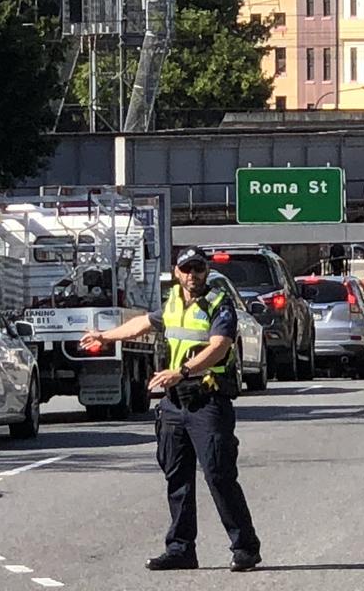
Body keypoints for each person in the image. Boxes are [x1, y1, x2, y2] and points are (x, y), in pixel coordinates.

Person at [80, 246, 262, 573]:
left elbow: (219, 348)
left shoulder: (219, 304)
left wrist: (184, 371)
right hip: (175, 404)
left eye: (199, 269)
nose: (193, 275)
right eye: (187, 269)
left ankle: (245, 548)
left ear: (207, 272)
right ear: (177, 273)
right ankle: (180, 549)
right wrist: (104, 337)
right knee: (176, 478)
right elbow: (141, 325)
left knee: (219, 476)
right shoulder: (173, 303)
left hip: (208, 401)